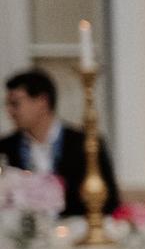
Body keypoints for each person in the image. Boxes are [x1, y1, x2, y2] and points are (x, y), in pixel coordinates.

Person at [2, 68, 120, 217]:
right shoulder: (5, 147)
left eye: (15, 104)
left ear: (42, 101)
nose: (9, 111)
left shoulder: (86, 144)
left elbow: (110, 202)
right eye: (7, 104)